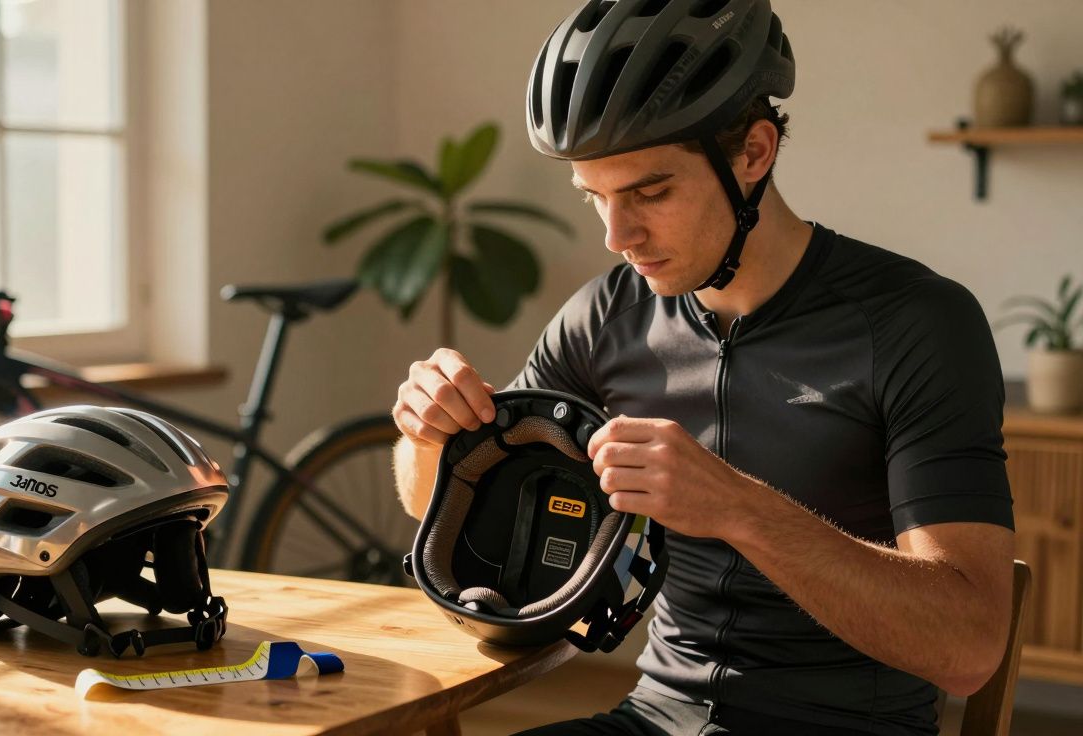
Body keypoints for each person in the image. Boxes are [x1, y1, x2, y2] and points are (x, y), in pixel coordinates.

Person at [389, 1, 1015, 734]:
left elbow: (969, 648)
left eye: (651, 193)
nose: (618, 235)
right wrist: (432, 435)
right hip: (654, 717)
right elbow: (430, 500)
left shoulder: (917, 323)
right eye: (596, 197)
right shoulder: (604, 317)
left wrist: (739, 508)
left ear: (755, 152)